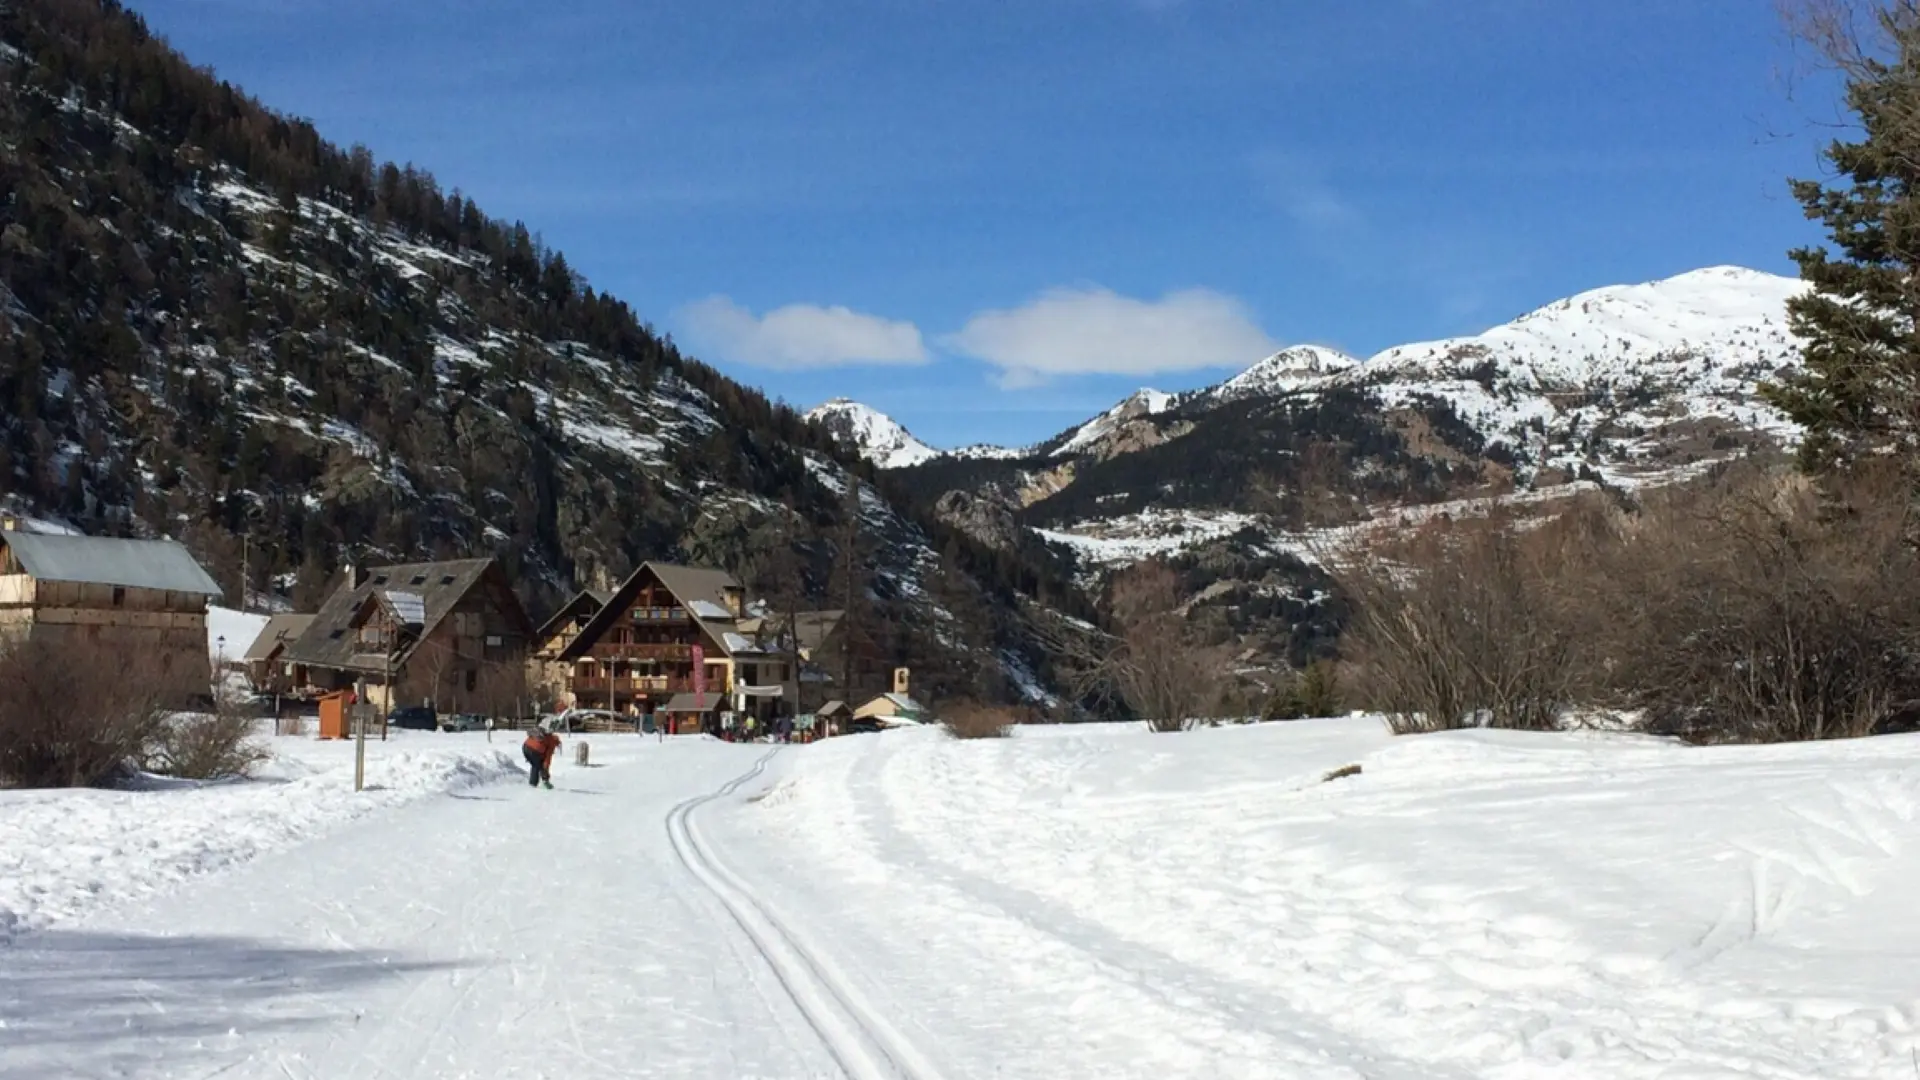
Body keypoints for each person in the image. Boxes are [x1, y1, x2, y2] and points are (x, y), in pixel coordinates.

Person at [522, 722, 560, 789]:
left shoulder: (546, 735)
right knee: (538, 766)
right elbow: (548, 759)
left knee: (537, 764)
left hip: (525, 747)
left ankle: (539, 782)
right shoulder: (552, 743)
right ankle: (535, 784)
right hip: (534, 750)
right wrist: (545, 768)